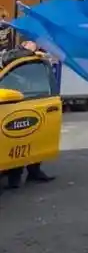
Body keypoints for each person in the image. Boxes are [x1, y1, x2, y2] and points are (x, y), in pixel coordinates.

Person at [2, 39, 55, 188]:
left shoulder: (38, 55)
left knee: (33, 139)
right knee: (16, 140)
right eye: (33, 41)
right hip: (14, 101)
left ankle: (34, 172)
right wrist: (29, 51)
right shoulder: (13, 53)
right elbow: (7, 59)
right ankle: (14, 176)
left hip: (33, 99)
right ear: (24, 43)